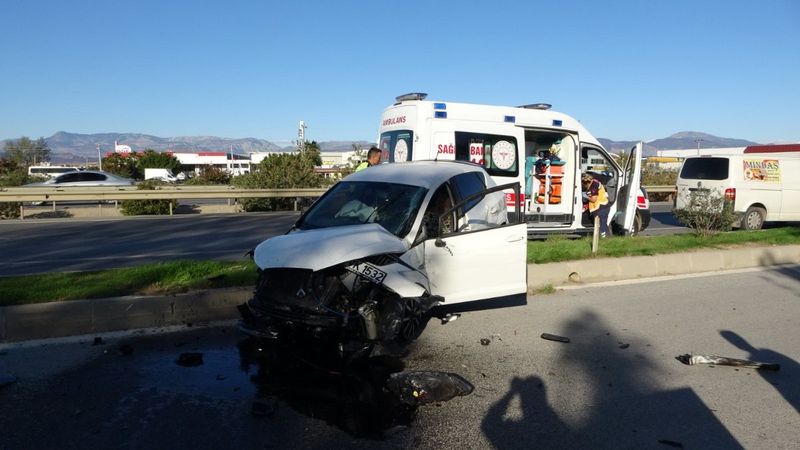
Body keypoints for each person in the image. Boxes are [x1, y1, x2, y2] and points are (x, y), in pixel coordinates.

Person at [581, 173, 610, 237]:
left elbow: (594, 199)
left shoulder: (594, 185)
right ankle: (606, 238)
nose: (584, 186)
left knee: (601, 226)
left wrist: (585, 196)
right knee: (603, 225)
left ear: (586, 182)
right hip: (601, 207)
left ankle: (604, 238)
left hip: (600, 207)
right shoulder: (594, 182)